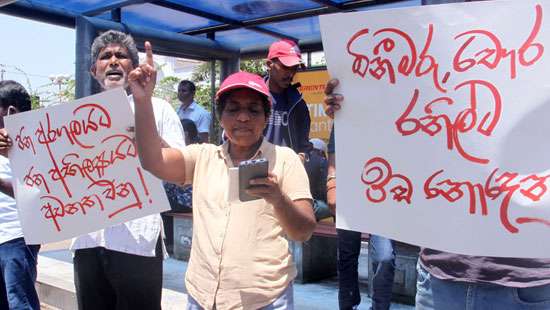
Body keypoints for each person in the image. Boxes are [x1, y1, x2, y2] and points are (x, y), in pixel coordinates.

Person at [324, 79, 550, 310]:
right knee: (354, 255)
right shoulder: (430, 74)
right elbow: (402, 131)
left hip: (526, 281)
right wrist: (353, 114)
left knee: (382, 257)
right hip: (438, 277)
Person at [129, 41, 317, 309]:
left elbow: (304, 230)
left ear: (266, 117)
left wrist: (278, 198)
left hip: (264, 300)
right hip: (203, 297)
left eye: (253, 110)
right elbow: (153, 160)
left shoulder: (286, 160)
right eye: (233, 109)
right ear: (221, 117)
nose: (243, 118)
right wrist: (143, 100)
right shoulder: (202, 157)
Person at [70, 30, 185, 310]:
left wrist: (141, 131)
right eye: (104, 56)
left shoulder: (158, 109)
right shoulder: (75, 117)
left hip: (137, 240)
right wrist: (13, 148)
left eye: (121, 56)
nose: (113, 61)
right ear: (93, 70)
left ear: (133, 67)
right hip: (87, 239)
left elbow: (181, 167)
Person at [325, 81, 396, 310]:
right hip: (349, 190)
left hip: (383, 192)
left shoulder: (394, 108)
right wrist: (332, 183)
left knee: (385, 258)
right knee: (347, 257)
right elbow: (333, 151)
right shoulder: (345, 109)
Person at [0, 80, 40, 310]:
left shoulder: (32, 144)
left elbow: (33, 191)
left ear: (10, 111)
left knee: (20, 302)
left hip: (16, 238)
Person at [264, 39, 312, 154]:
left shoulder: (299, 104)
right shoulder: (252, 97)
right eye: (286, 67)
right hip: (255, 169)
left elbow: (303, 145)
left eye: (294, 68)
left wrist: (302, 157)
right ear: (269, 65)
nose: (291, 74)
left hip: (287, 170)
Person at [304, 138, 332, 221]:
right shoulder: (321, 161)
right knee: (336, 205)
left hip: (294, 203)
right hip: (310, 207)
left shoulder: (299, 157)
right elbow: (325, 189)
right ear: (321, 152)